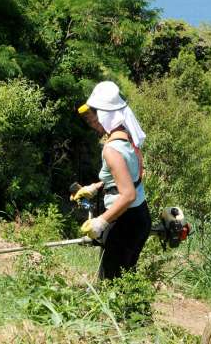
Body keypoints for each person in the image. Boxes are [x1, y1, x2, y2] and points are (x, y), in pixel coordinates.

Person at [73, 81, 151, 280]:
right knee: (126, 279)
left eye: (95, 118)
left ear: (105, 114)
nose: (94, 124)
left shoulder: (111, 149)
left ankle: (118, 312)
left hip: (125, 221)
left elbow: (128, 194)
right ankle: (131, 310)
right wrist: (97, 186)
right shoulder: (128, 136)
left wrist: (101, 221)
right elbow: (134, 176)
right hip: (139, 217)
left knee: (110, 283)